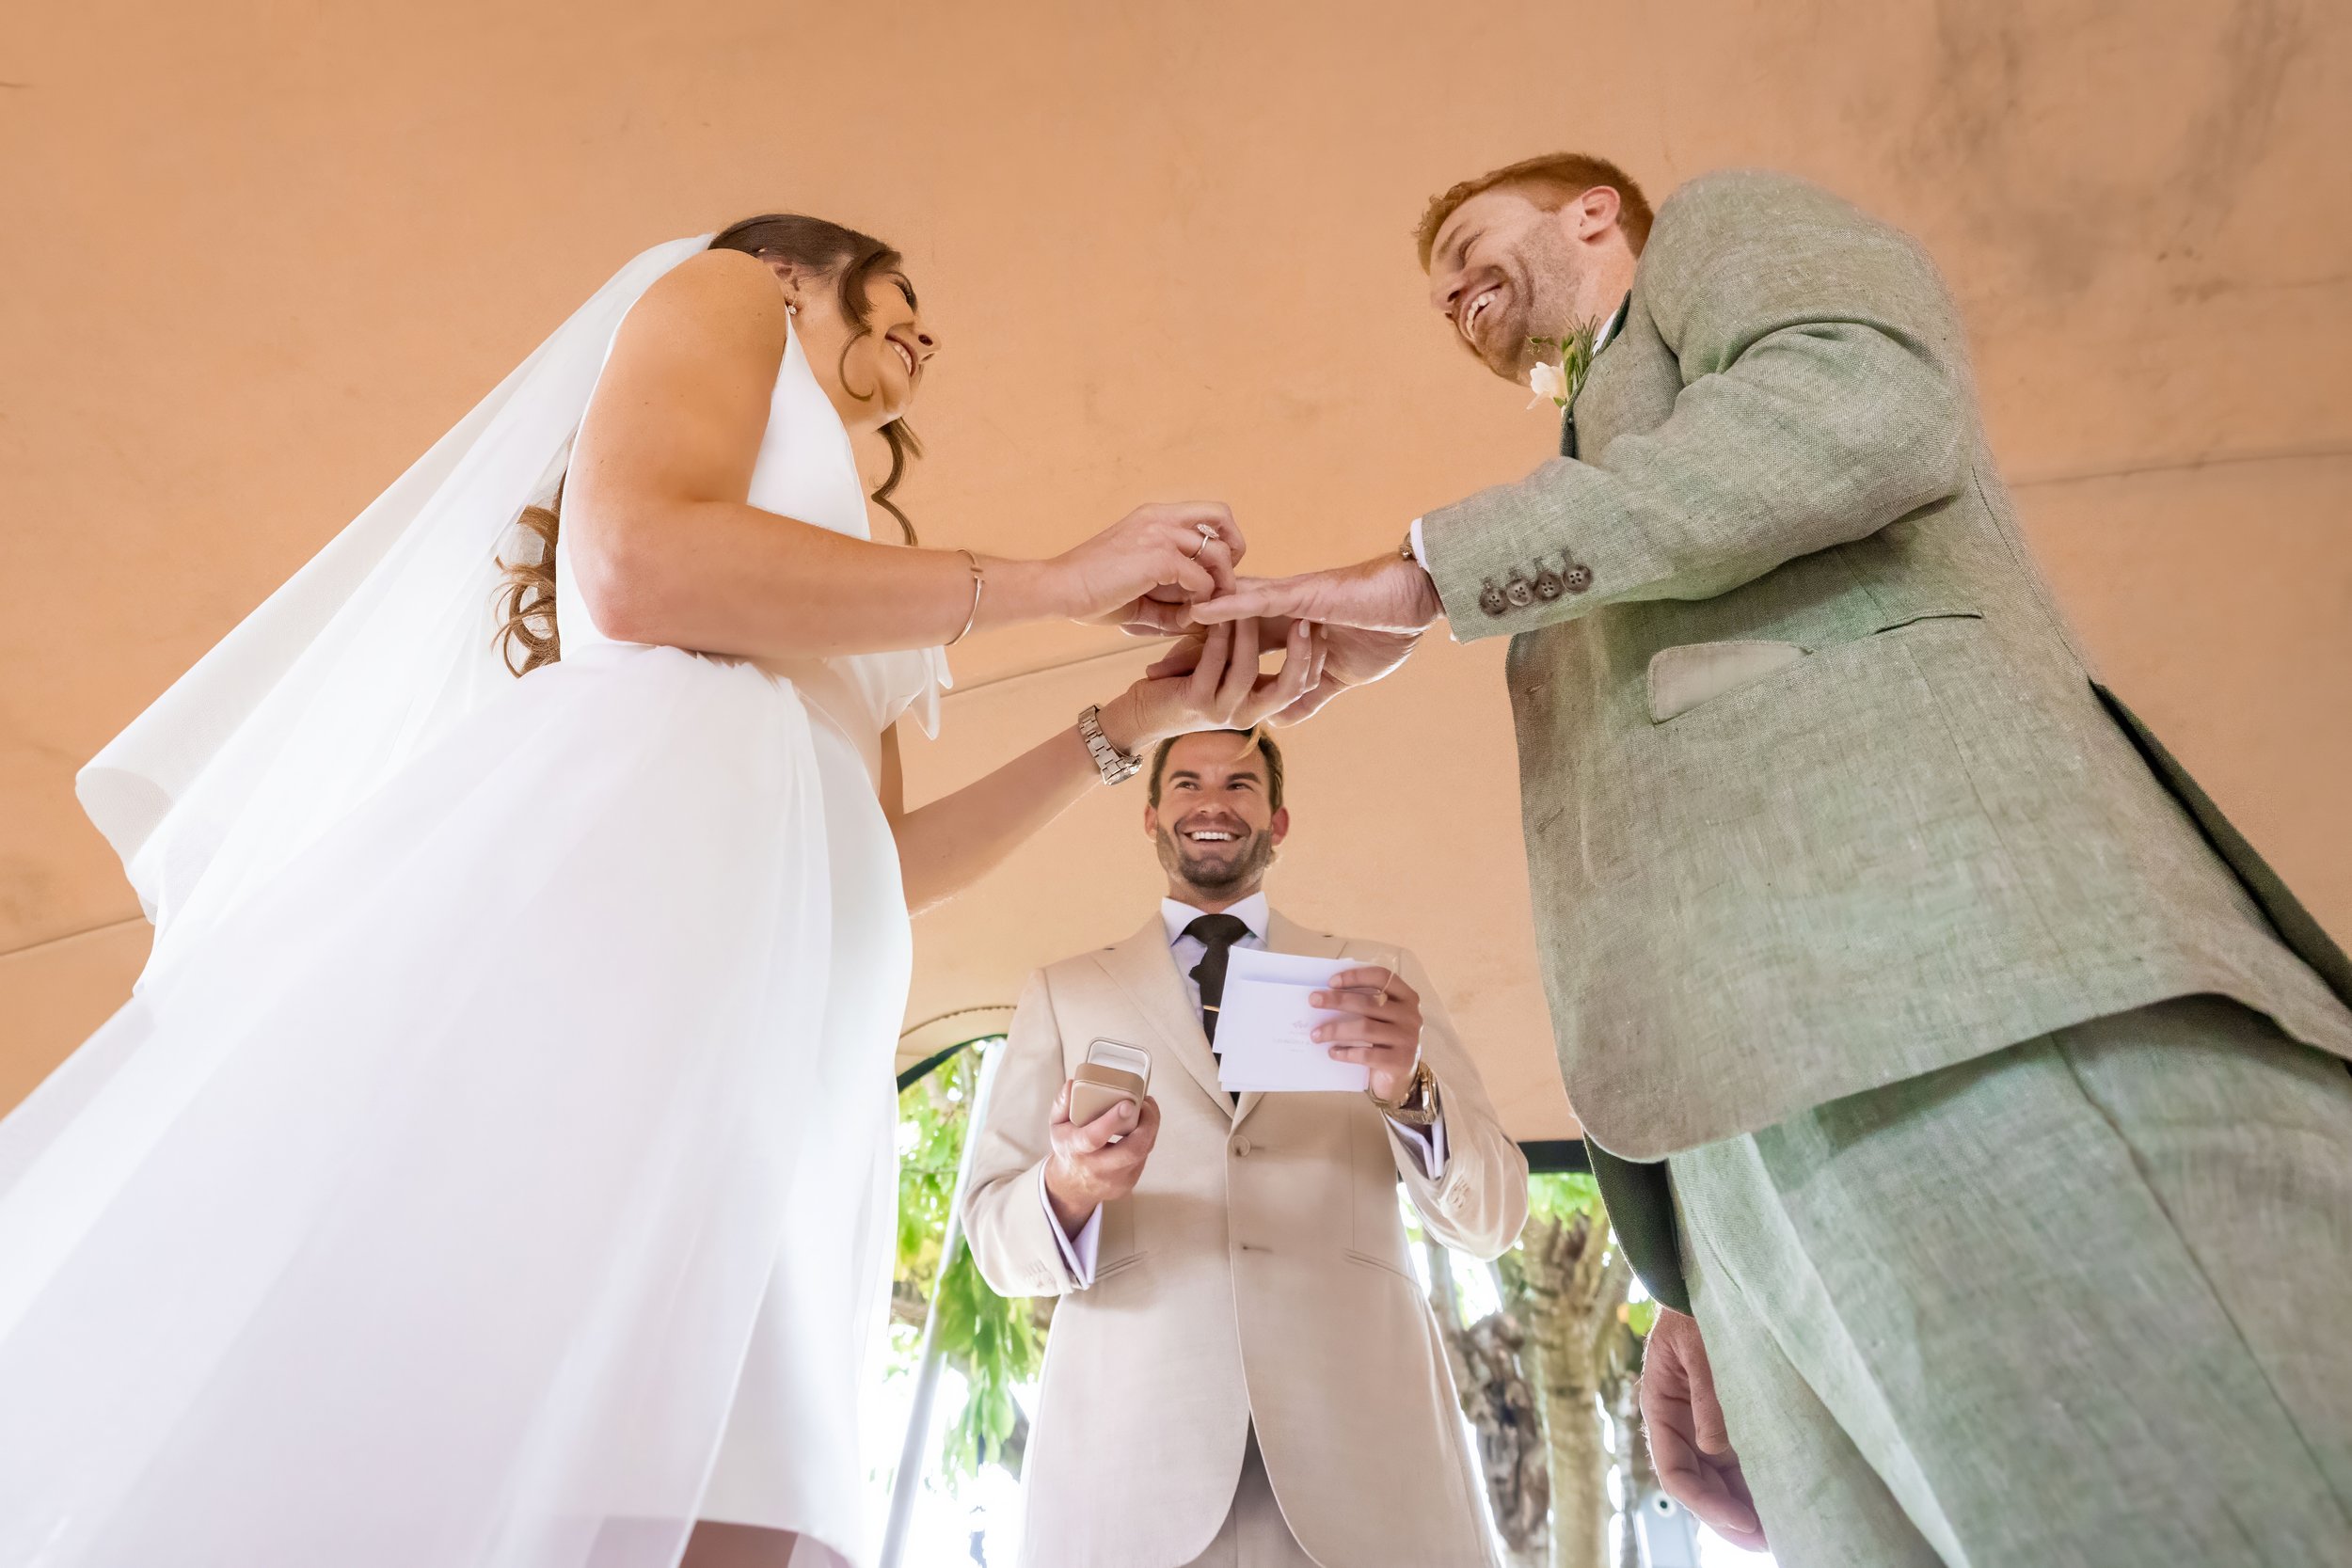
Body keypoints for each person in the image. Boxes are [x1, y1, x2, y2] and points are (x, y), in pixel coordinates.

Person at [0, 215, 1322, 1568]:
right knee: (568, 1367)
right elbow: (636, 567)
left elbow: (891, 855)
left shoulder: (858, 551)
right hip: (655, 903)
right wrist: (1056, 583)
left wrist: (1127, 725)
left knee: (717, 1448)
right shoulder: (729, 288)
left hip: (791, 996)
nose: (924, 332)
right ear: (799, 272)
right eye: (895, 295)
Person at [1188, 154, 2352, 1563]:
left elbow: (1861, 406)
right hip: (1741, 1185)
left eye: (1469, 246)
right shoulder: (1591, 487)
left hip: (1961, 978)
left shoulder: (1717, 231)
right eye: (1436, 293)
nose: (1450, 296)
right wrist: (1694, 1274)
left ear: (1590, 211)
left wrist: (1431, 571)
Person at [961, 726, 1528, 1568]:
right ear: (1151, 816)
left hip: (1364, 1458)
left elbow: (1496, 1218)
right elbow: (992, 1240)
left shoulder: (1379, 979)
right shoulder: (1062, 992)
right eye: (1187, 782)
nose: (1212, 802)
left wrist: (1409, 1087)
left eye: (1240, 784)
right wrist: (1069, 1182)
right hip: (1133, 1466)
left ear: (1278, 822)